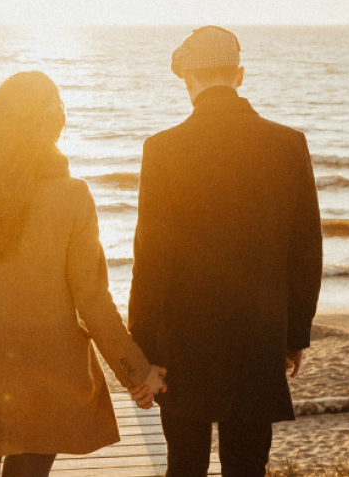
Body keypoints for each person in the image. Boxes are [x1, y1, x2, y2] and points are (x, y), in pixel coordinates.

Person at [0, 71, 168, 477]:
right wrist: (137, 373)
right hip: (47, 380)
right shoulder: (74, 197)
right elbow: (92, 300)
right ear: (52, 125)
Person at [128, 26, 323, 477]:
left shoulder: (162, 149)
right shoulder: (288, 144)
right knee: (248, 466)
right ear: (239, 75)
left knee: (185, 466)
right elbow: (306, 251)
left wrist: (144, 347)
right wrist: (295, 334)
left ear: (187, 80)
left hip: (182, 342)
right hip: (258, 337)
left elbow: (151, 258)